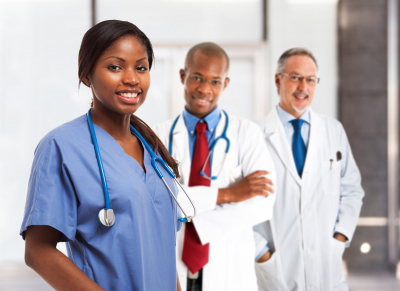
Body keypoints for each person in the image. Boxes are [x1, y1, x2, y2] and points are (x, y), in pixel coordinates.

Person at [20, 20, 184, 291]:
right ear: (86, 75)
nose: (131, 78)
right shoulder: (61, 146)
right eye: (115, 67)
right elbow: (37, 251)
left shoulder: (154, 150)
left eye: (141, 67)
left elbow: (160, 248)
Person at [153, 42, 276, 291]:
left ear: (225, 84)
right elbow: (158, 201)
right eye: (197, 78)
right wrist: (228, 194)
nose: (205, 89)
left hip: (229, 267)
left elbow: (263, 205)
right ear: (182, 76)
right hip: (172, 262)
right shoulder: (157, 137)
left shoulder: (247, 134)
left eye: (215, 81)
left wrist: (194, 221)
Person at [254, 48, 364, 291]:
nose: (303, 86)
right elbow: (239, 206)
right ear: (277, 80)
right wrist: (261, 253)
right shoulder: (254, 136)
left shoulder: (333, 131)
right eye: (295, 77)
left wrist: (340, 238)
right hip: (274, 272)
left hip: (327, 271)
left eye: (310, 79)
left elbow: (352, 190)